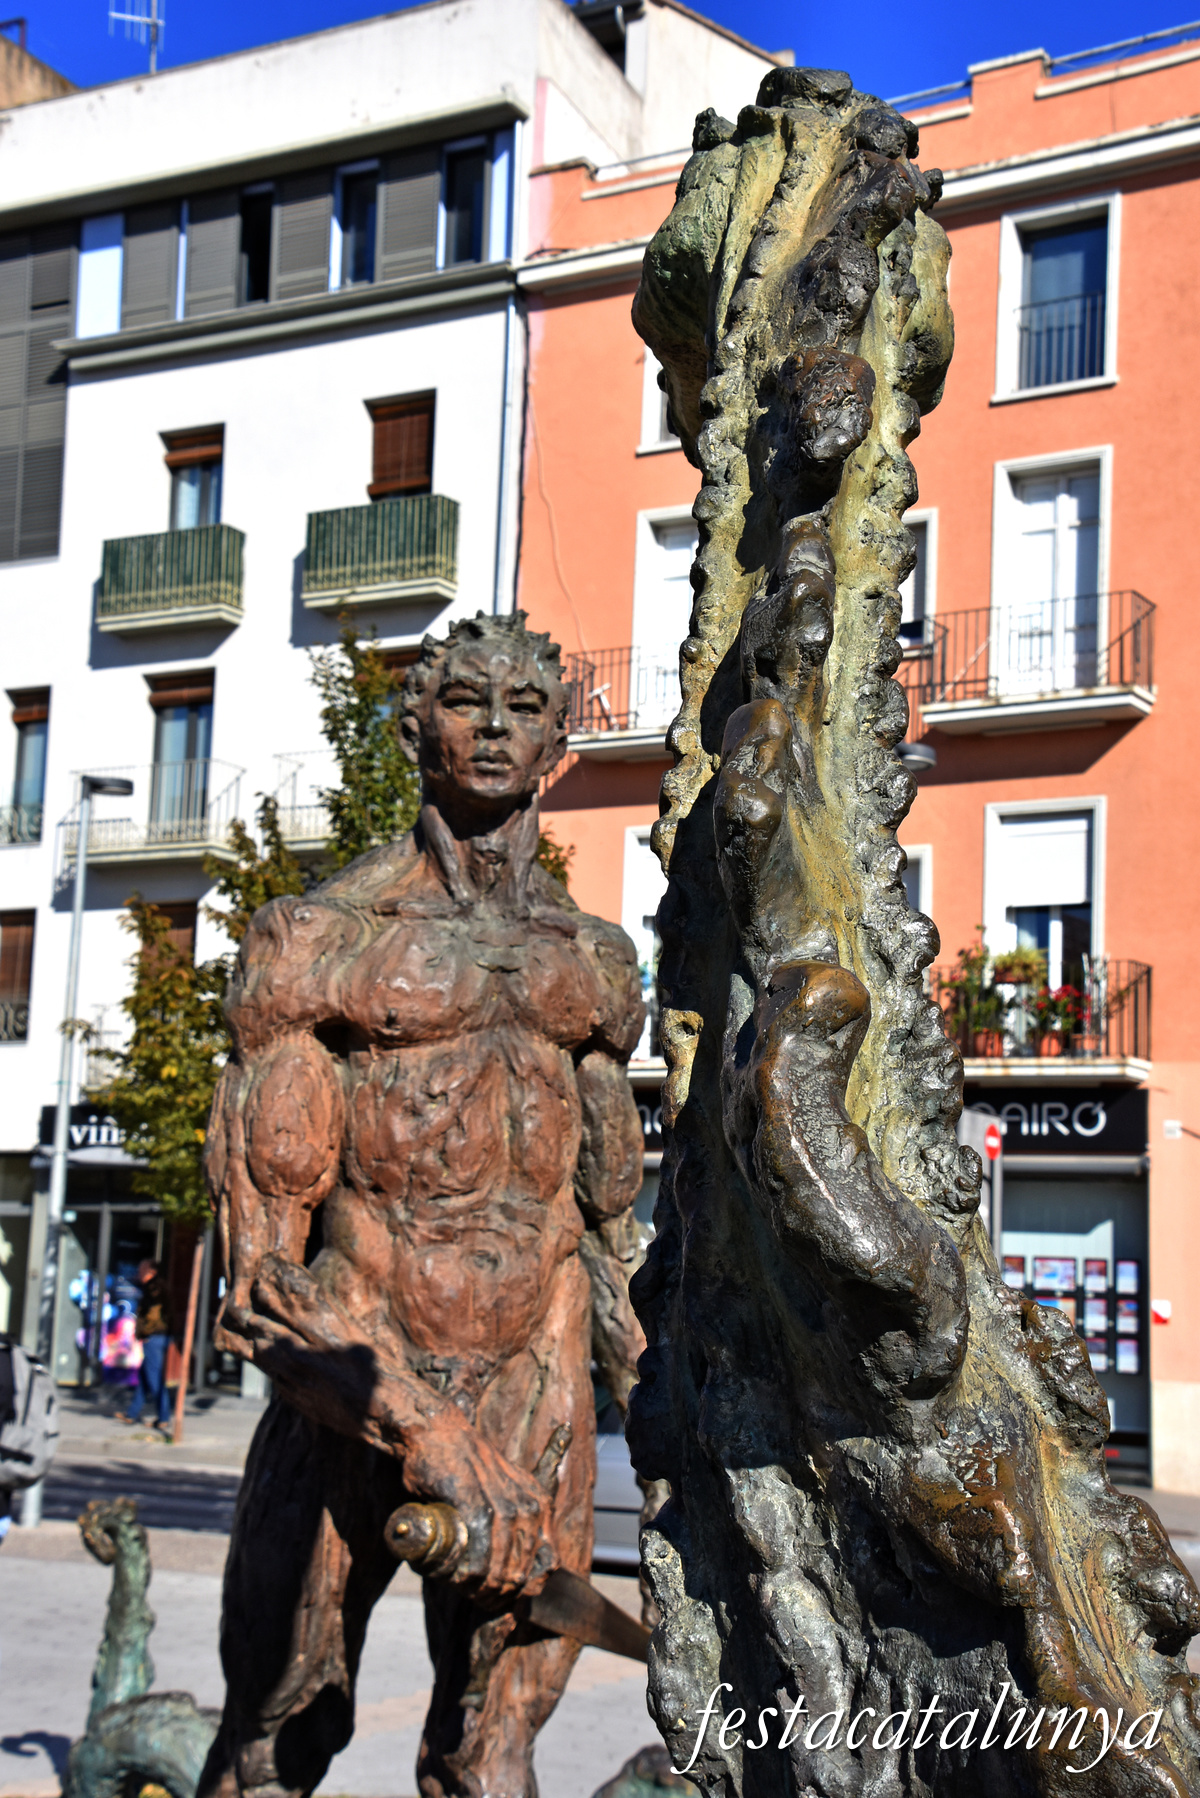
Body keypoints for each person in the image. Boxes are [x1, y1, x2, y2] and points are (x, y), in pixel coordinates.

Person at [199, 613, 646, 1798]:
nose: (496, 728)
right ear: (416, 726)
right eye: (466, 702)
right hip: (354, 1390)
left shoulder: (595, 966)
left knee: (492, 1758)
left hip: (530, 1397)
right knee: (276, 1738)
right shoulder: (317, 942)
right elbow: (261, 1293)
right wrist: (428, 1436)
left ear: (560, 737)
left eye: (525, 707)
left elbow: (605, 1230)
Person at [122, 1259, 172, 1430]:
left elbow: (153, 1315)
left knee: (154, 1378)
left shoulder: (154, 1289)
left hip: (154, 1338)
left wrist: (144, 1332)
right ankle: (131, 1414)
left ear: (151, 1272)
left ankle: (164, 1416)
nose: (139, 1274)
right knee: (144, 1377)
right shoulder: (158, 1287)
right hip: (158, 1337)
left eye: (142, 1271)